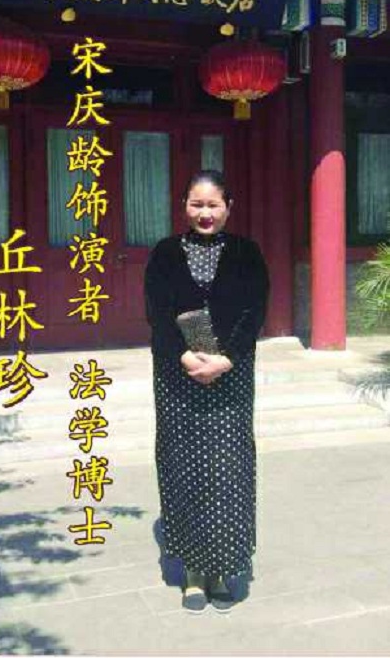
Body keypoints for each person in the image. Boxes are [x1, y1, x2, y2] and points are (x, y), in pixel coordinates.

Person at [144, 169, 269, 614]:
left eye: (213, 204)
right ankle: (194, 572)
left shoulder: (247, 253)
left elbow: (254, 311)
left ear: (228, 207)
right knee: (183, 468)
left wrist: (225, 359)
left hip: (230, 378)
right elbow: (157, 312)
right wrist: (184, 357)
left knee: (228, 471)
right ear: (184, 206)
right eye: (196, 204)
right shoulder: (164, 253)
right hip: (177, 378)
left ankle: (222, 568)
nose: (205, 213)